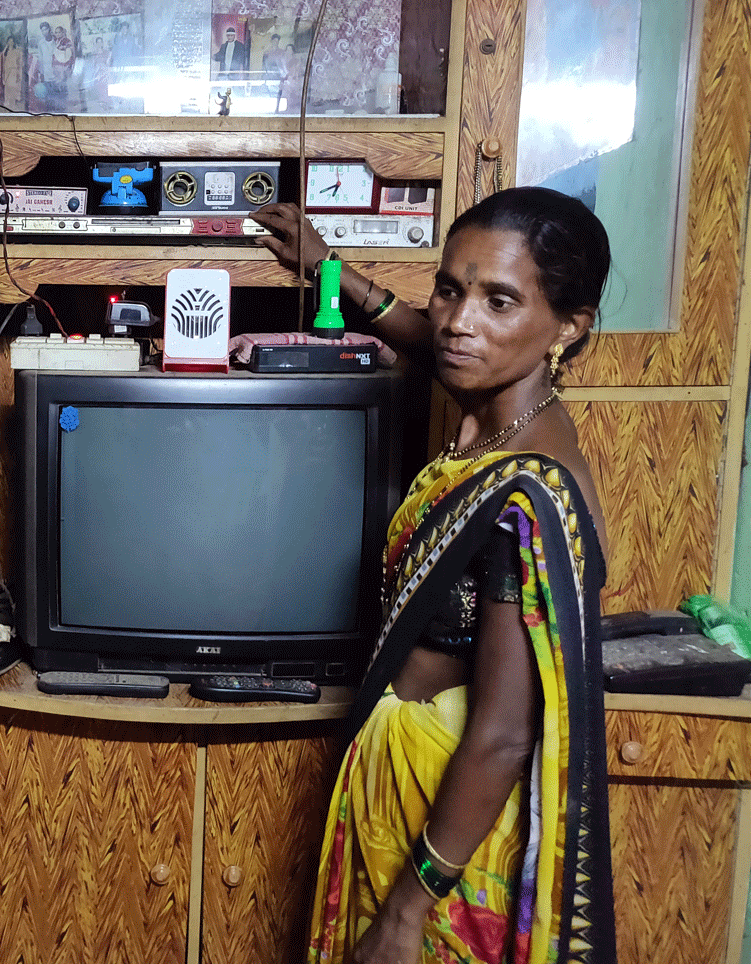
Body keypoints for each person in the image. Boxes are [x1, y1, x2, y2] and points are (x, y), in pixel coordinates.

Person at [250, 188, 618, 964]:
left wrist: (407, 911)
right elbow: (427, 339)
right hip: (396, 781)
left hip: (449, 821)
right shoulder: (491, 402)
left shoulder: (534, 493)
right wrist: (329, 271)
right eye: (451, 288)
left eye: (500, 301)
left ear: (570, 325)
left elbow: (505, 732)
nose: (460, 321)